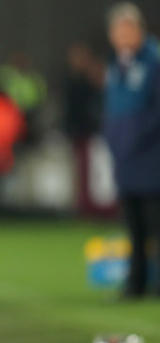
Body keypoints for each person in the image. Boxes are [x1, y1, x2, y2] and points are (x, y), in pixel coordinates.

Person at [103, 2, 160, 298]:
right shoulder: (116, 66)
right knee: (134, 225)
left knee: (155, 223)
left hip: (151, 157)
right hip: (126, 159)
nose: (122, 36)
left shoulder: (154, 61)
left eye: (127, 29)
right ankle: (136, 283)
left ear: (139, 30)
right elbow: (112, 109)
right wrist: (114, 139)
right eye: (117, 30)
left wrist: (134, 135)